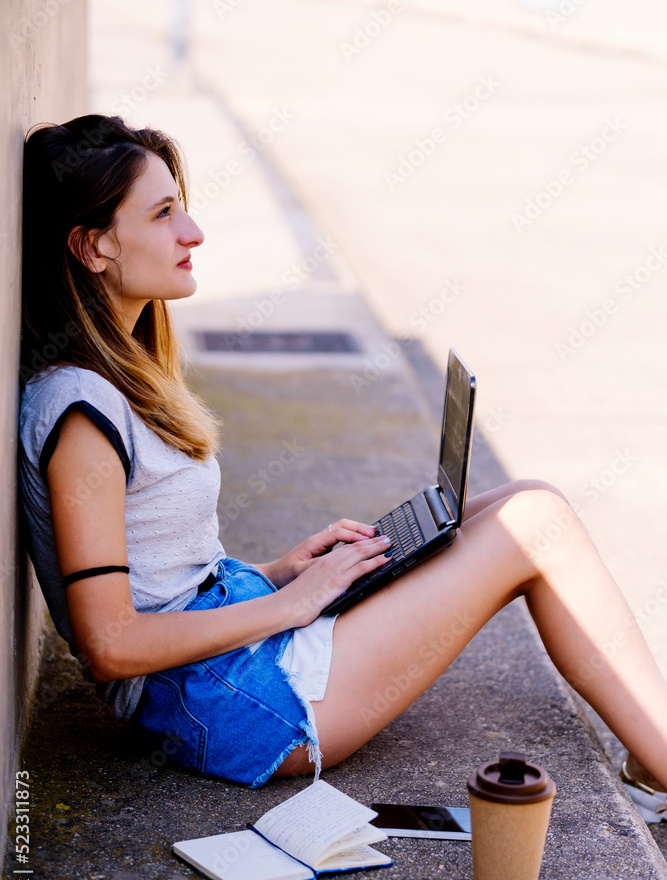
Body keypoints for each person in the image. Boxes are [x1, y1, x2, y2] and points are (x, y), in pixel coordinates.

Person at [19, 114, 667, 822]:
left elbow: (161, 577)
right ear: (92, 247)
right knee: (536, 528)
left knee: (526, 499)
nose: (194, 232)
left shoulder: (115, 380)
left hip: (231, 654)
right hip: (236, 703)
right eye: (164, 213)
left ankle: (653, 751)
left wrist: (281, 570)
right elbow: (110, 644)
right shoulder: (81, 415)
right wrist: (291, 605)